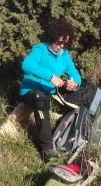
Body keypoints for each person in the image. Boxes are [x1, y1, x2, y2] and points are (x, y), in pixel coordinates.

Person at [19, 18, 86, 162]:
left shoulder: (64, 54)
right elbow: (27, 64)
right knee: (41, 99)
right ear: (51, 38)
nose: (62, 46)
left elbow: (73, 72)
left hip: (51, 92)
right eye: (59, 42)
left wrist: (75, 83)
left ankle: (72, 140)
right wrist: (51, 77)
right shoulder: (40, 49)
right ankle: (47, 149)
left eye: (65, 43)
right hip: (31, 91)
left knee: (83, 95)